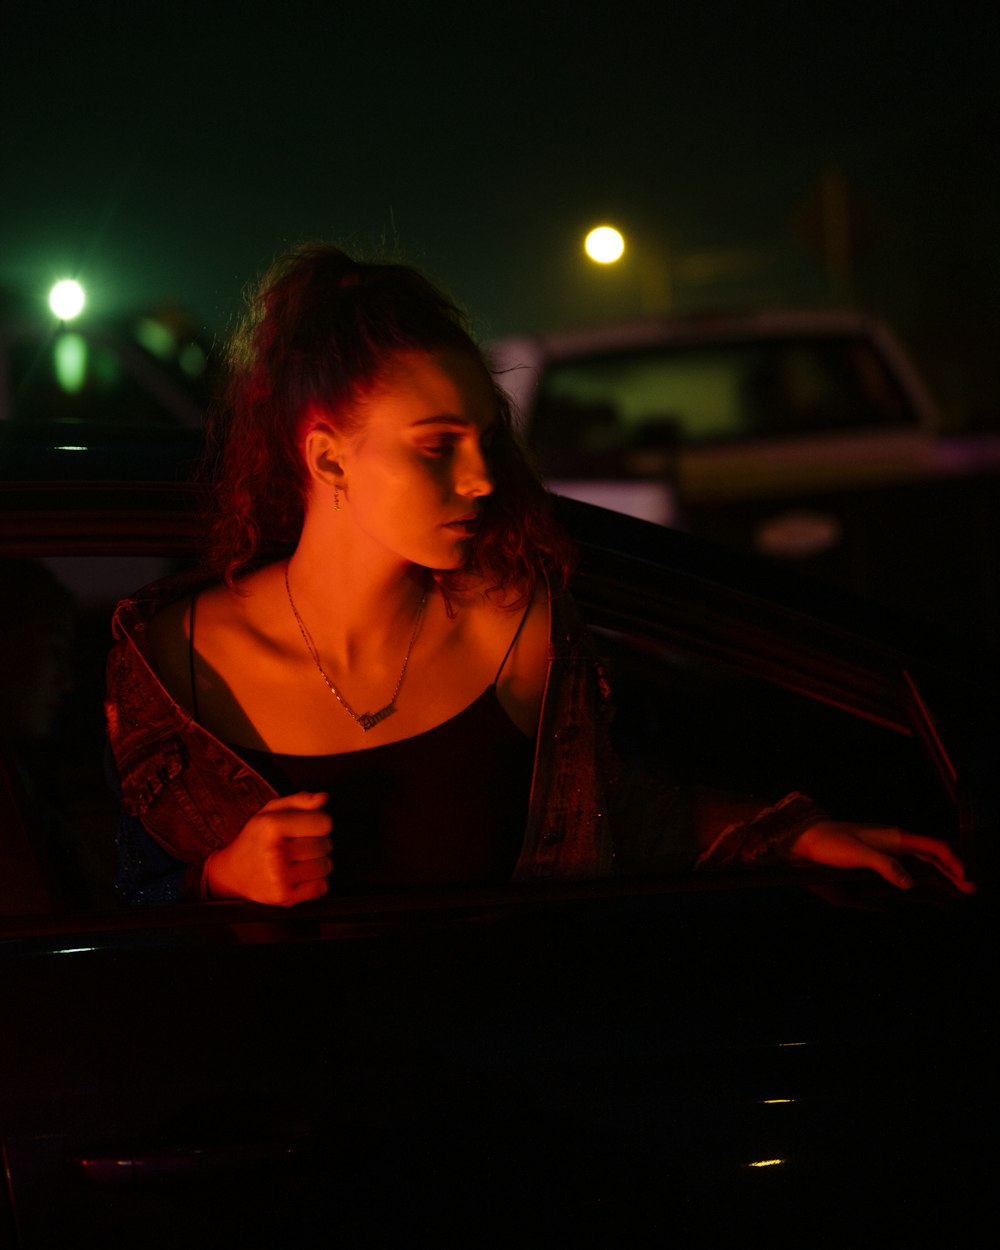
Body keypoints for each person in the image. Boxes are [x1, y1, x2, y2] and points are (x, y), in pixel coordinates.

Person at [104, 243, 975, 906]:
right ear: (328, 458)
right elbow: (106, 916)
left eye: (487, 438)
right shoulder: (175, 659)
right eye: (436, 447)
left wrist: (793, 832)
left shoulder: (512, 624)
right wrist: (219, 883)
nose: (482, 478)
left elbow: (611, 814)